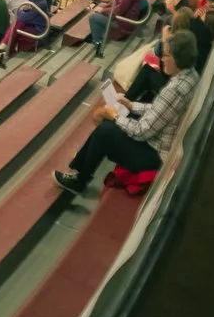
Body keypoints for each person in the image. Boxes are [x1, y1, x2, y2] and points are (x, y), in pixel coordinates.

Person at [54, 29, 200, 196]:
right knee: (110, 126)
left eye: (166, 55)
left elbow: (141, 131)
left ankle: (80, 180)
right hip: (158, 142)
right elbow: (160, 109)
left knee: (104, 131)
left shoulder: (174, 90)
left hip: (154, 155)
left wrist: (115, 117)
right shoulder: (191, 76)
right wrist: (131, 105)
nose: (162, 59)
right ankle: (83, 165)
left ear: (176, 58)